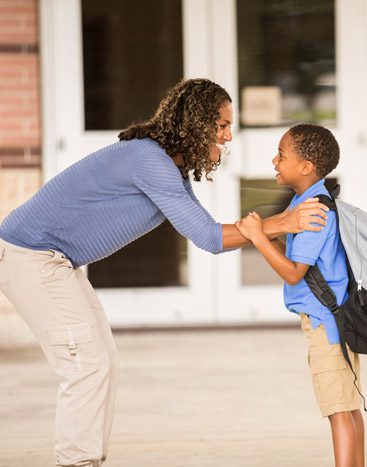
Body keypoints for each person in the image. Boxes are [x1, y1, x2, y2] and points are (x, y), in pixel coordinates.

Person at [0, 78, 328, 467]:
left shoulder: (169, 169)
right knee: (86, 364)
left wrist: (273, 226)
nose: (227, 136)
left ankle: (84, 460)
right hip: (32, 256)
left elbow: (209, 233)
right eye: (221, 125)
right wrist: (283, 223)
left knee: (102, 360)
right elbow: (210, 236)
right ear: (195, 122)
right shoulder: (149, 161)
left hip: (55, 260)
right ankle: (76, 463)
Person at [236, 124, 365, 467]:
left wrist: (259, 237)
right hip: (335, 319)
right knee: (348, 404)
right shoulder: (308, 201)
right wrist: (268, 234)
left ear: (306, 166)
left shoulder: (312, 212)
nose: (274, 160)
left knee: (338, 410)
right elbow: (297, 258)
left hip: (326, 325)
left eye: (282, 154)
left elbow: (294, 272)